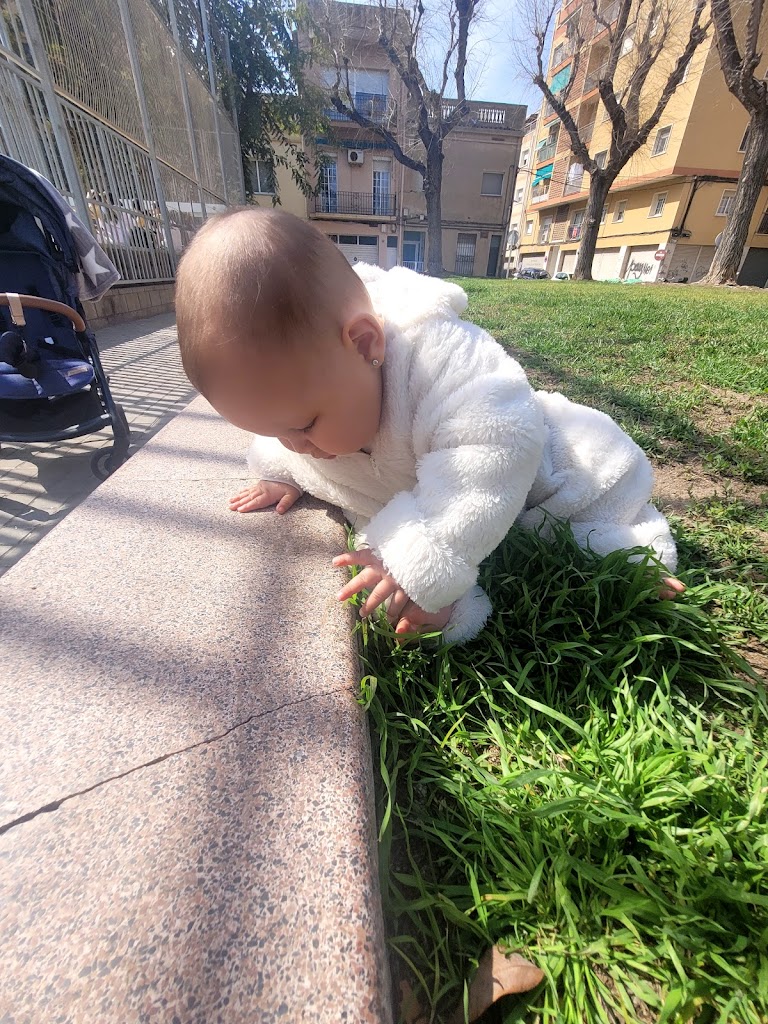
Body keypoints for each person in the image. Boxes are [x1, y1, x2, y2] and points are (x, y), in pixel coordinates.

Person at [175, 208, 683, 644]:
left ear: (365, 344)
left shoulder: (442, 360)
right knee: (436, 574)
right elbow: (284, 434)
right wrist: (276, 471)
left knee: (580, 522)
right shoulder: (308, 394)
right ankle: (443, 604)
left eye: (304, 425)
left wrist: (412, 558)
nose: (296, 447)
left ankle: (635, 549)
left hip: (550, 469)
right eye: (271, 431)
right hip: (453, 491)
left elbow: (493, 447)